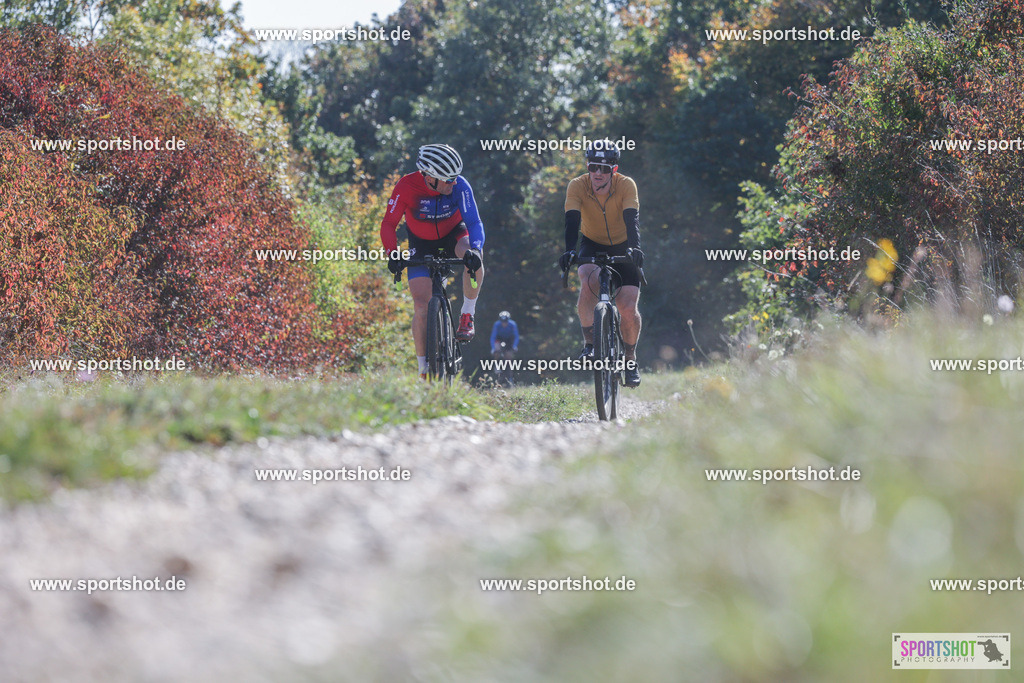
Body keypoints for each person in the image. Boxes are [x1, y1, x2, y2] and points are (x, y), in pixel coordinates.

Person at [380, 144, 485, 378]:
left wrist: (476, 250)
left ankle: (468, 314)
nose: (453, 183)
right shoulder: (406, 186)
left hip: (454, 234)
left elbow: (475, 223)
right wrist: (392, 253)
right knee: (420, 304)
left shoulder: (460, 185)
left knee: (473, 256)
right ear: (430, 177)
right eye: (448, 180)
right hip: (420, 242)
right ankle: (423, 370)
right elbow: (388, 224)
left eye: (455, 177)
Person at [558, 139, 644, 387]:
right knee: (587, 279)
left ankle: (630, 359)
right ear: (587, 165)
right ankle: (589, 344)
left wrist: (635, 248)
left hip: (624, 244)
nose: (598, 173)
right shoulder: (577, 186)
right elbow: (572, 220)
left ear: (614, 170)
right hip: (592, 242)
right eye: (593, 166)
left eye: (604, 168)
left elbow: (632, 219)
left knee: (628, 308)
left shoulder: (626, 185)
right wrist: (569, 251)